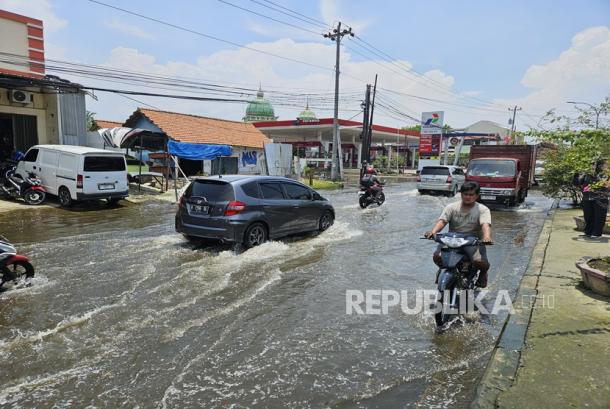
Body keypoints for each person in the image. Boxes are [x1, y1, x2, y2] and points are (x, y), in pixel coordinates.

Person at [424, 181, 493, 287]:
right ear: (461, 194)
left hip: (472, 240)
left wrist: (487, 237)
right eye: (465, 194)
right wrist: (433, 232)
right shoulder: (451, 207)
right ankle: (443, 270)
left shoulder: (483, 209)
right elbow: (442, 221)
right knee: (437, 256)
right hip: (452, 239)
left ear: (477, 195)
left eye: (471, 194)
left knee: (479, 262)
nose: (468, 197)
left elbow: (485, 225)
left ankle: (483, 274)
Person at [575, 159, 609, 238]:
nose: (591, 167)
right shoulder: (586, 175)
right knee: (588, 216)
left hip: (601, 199)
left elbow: (605, 184)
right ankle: (588, 232)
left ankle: (596, 233)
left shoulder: (605, 174)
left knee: (599, 216)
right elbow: (578, 183)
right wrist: (576, 175)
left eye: (593, 165)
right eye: (590, 165)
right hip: (587, 199)